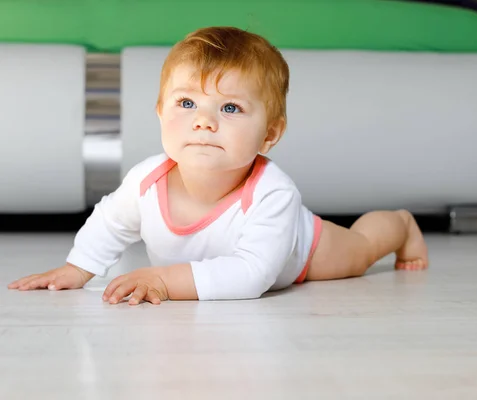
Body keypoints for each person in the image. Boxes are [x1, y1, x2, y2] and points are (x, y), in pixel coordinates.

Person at [8, 26, 428, 305]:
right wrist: (77, 267)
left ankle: (401, 224)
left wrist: (165, 281)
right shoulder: (146, 182)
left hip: (301, 251)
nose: (203, 120)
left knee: (360, 251)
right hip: (226, 258)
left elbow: (252, 274)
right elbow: (111, 223)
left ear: (270, 134)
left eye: (230, 107)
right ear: (159, 111)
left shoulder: (273, 192)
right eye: (186, 103)